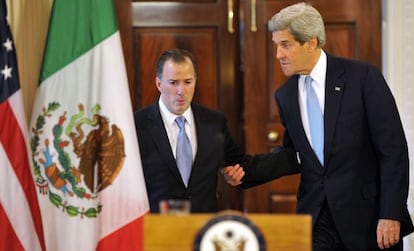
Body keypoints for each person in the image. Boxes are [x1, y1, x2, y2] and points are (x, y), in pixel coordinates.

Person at [224, 2, 414, 250]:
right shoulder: (286, 95)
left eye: (285, 45)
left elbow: (393, 151)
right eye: (277, 45)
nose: (278, 54)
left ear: (311, 42)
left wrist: (391, 213)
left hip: (367, 219)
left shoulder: (362, 78)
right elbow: (295, 155)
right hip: (317, 219)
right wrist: (247, 172)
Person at [134, 48, 297, 213]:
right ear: (159, 84)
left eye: (188, 82)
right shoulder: (136, 125)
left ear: (196, 81)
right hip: (155, 229)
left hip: (203, 227)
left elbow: (241, 167)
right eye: (173, 83)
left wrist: (296, 158)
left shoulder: (213, 122)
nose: (181, 91)